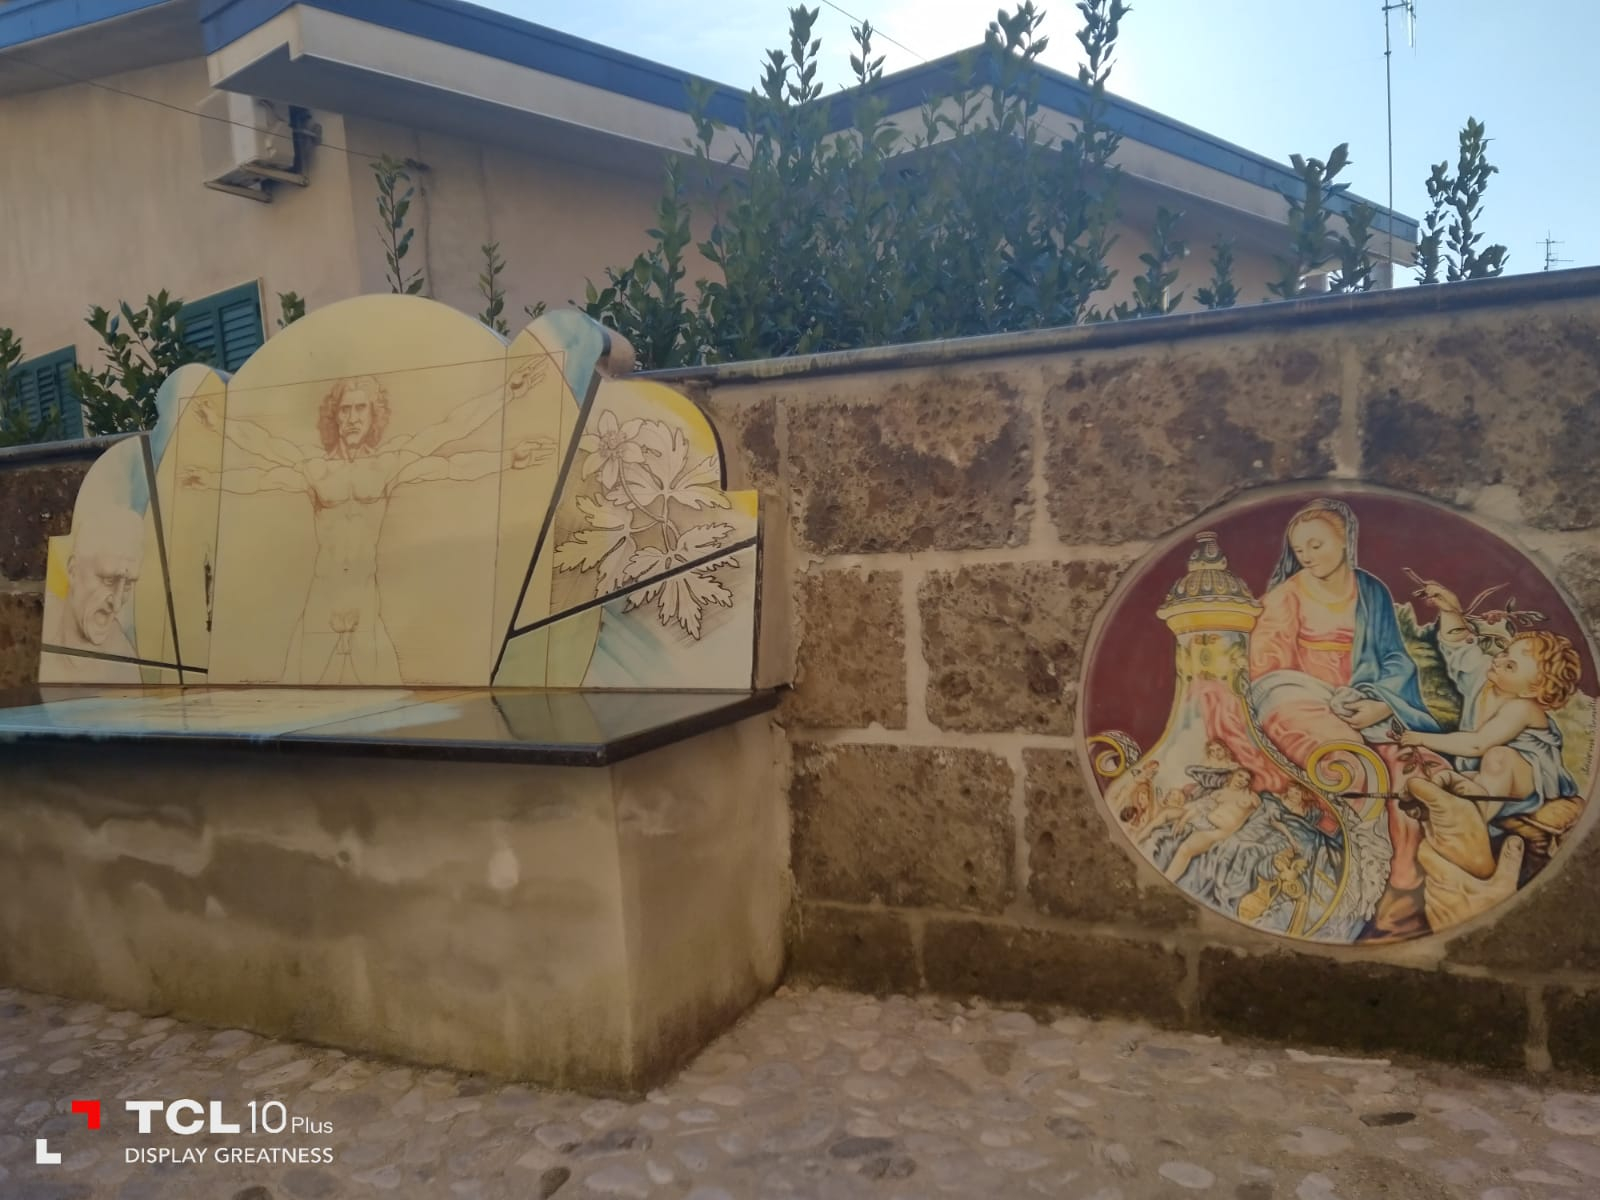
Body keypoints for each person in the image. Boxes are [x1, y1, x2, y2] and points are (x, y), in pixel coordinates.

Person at [182, 363, 553, 684]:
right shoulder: (315, 467)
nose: (353, 418)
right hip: (322, 600)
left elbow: (449, 446)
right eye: (345, 409)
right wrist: (216, 446)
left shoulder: (388, 463)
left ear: (375, 415)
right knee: (298, 698)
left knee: (390, 701)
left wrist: (509, 431)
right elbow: (264, 463)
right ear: (335, 416)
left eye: (361, 408)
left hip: (364, 599)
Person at [1249, 499, 1441, 783]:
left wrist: (1383, 704)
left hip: (1364, 701)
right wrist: (1326, 703)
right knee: (1346, 761)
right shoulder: (1285, 597)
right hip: (1301, 703)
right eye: (1299, 550)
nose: (1307, 557)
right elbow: (1268, 673)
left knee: (1425, 771)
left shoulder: (1372, 591)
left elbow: (1395, 657)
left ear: (1344, 540)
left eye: (1316, 546)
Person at [1400, 581, 1580, 817]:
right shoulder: (1486, 679)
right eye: (1505, 652)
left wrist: (1422, 738)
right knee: (1446, 778)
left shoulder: (1522, 708)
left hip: (1528, 782)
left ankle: (1475, 821)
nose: (1498, 660)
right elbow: (1458, 648)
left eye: (1510, 666)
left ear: (1530, 691)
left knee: (1498, 757)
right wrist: (1450, 610)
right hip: (1487, 777)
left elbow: (1477, 745)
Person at [40, 504, 146, 682]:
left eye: (128, 584)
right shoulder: (31, 622)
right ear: (73, 570)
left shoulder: (125, 668)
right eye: (109, 580)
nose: (117, 604)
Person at [1163, 767, 1262, 884]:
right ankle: (1167, 880)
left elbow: (1266, 814)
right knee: (1184, 846)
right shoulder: (1219, 793)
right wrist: (1182, 822)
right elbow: (1199, 807)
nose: (1242, 780)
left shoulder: (1251, 797)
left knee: (1185, 849)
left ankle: (1167, 881)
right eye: (1240, 775)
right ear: (1232, 775)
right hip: (1207, 823)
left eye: (1246, 780)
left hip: (1221, 832)